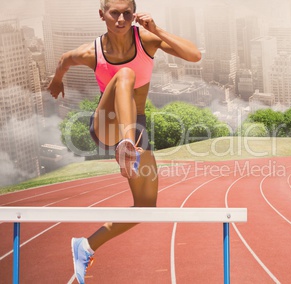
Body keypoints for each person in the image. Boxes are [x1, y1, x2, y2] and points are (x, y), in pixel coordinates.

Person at [47, 0, 201, 283]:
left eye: (127, 13)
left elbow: (194, 56)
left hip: (137, 127)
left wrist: (157, 29)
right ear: (102, 14)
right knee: (126, 74)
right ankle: (126, 148)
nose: (120, 19)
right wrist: (57, 81)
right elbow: (64, 60)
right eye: (114, 12)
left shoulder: (146, 41)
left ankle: (86, 245)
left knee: (146, 207)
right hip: (106, 125)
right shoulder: (92, 52)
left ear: (134, 14)